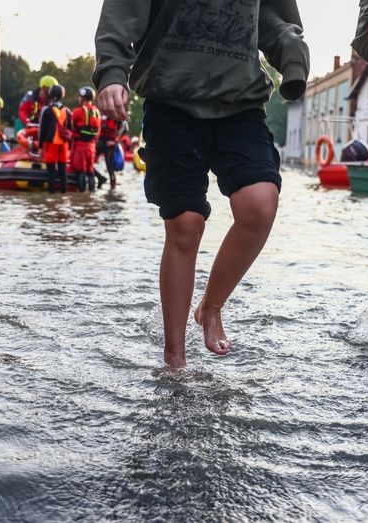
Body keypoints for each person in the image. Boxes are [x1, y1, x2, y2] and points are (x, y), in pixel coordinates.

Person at [93, 0, 309, 367]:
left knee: (260, 204)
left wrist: (292, 57)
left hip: (240, 101)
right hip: (171, 98)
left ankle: (211, 307)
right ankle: (174, 358)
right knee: (185, 223)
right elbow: (123, 11)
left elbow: (271, 18)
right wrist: (113, 71)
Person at [39, 85, 72, 194]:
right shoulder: (67, 111)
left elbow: (42, 130)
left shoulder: (47, 110)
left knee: (51, 172)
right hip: (64, 145)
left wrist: (40, 146)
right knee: (63, 172)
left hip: (51, 144)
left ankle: (51, 196)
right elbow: (70, 130)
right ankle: (64, 194)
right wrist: (70, 147)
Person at [70, 86, 102, 192]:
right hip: (92, 146)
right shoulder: (97, 112)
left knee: (81, 171)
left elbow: (69, 125)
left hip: (81, 146)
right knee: (90, 171)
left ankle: (82, 196)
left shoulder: (78, 111)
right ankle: (91, 195)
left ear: (82, 98)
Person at [94, 113, 122, 188]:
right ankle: (100, 178)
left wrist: (114, 141)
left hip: (110, 145)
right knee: (88, 162)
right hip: (100, 143)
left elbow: (123, 131)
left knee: (110, 168)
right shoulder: (100, 115)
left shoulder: (116, 118)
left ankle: (112, 188)